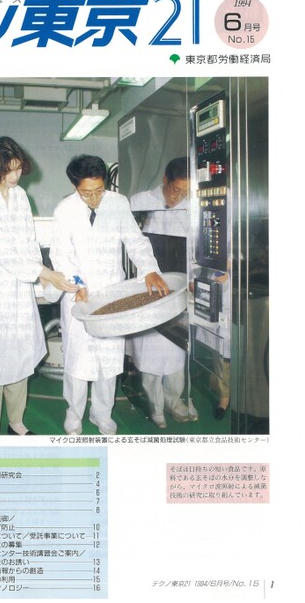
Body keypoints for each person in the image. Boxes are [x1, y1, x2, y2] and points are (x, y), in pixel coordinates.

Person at [49, 154, 169, 436]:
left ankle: (102, 413)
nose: (94, 199)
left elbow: (135, 241)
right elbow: (61, 254)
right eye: (87, 193)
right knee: (78, 362)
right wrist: (77, 283)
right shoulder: (64, 210)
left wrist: (150, 270)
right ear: (75, 186)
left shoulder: (117, 203)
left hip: (112, 293)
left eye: (99, 190)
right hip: (79, 294)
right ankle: (74, 413)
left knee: (109, 360)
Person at [0, 136, 76, 436]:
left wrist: (46, 275)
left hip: (19, 292)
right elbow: (3, 253)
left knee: (20, 356)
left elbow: (29, 242)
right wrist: (45, 273)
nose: (14, 176)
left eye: (17, 168)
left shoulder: (20, 197)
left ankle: (16, 422)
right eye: (8, 170)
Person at [127, 157, 198, 428]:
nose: (179, 196)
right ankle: (155, 407)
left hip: (179, 286)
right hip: (147, 287)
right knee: (151, 352)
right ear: (165, 180)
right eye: (176, 189)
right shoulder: (140, 202)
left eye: (185, 192)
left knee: (178, 349)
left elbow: (196, 247)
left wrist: (195, 277)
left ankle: (174, 401)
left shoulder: (191, 206)